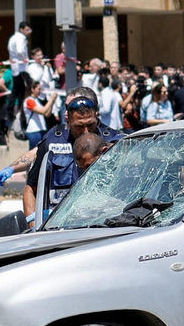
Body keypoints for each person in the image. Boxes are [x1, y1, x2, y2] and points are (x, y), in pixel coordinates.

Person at [24, 87, 124, 227]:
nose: (86, 131)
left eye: (90, 124)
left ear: (96, 117)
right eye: (79, 126)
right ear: (68, 121)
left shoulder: (115, 142)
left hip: (105, 224)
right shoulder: (52, 143)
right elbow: (31, 189)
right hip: (59, 226)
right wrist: (33, 225)